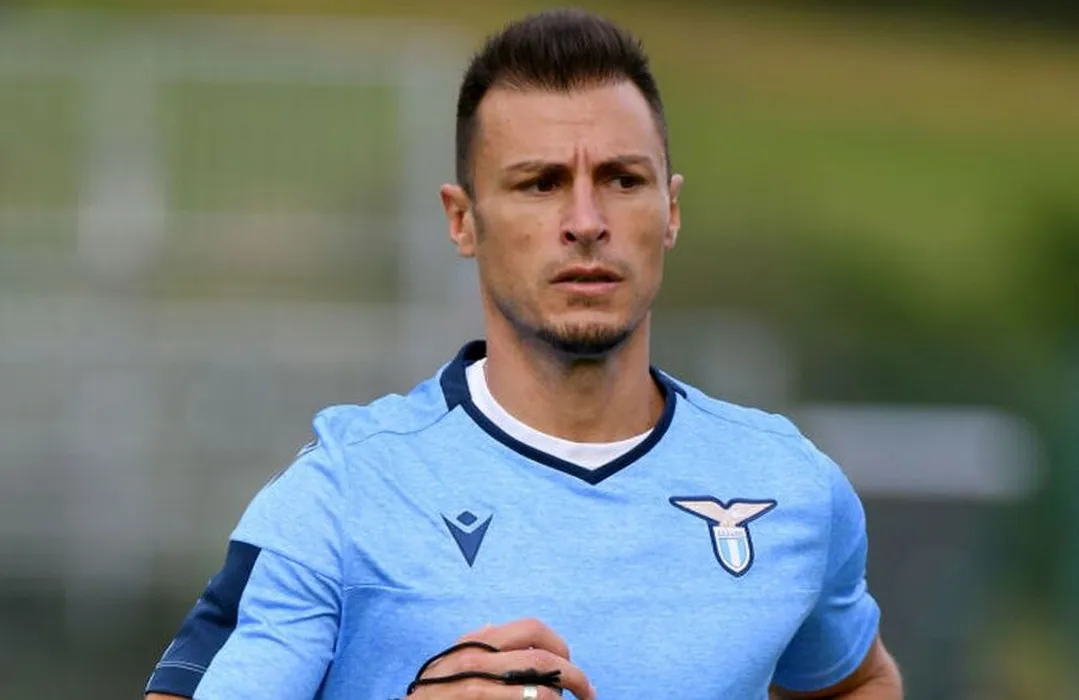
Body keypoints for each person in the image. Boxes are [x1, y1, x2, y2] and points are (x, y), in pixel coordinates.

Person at [146, 8, 902, 700]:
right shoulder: (345, 491)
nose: (586, 221)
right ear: (463, 220)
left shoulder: (790, 487)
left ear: (670, 209)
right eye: (540, 184)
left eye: (622, 179)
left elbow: (855, 681)